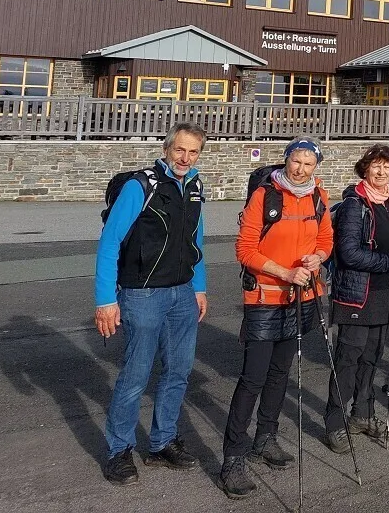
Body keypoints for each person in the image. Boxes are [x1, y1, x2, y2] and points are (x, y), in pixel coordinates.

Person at [219, 137, 334, 498]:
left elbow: (326, 240)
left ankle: (265, 437)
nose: (301, 169)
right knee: (253, 378)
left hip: (303, 296)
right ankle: (233, 457)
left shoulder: (319, 196)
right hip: (265, 297)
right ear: (286, 160)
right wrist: (285, 272)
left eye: (308, 164)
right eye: (296, 161)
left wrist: (318, 257)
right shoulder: (264, 195)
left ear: (316, 166)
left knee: (280, 373)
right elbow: (245, 249)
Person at [95, 123, 209, 486]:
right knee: (136, 375)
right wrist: (105, 300)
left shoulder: (195, 187)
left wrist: (199, 288)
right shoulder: (140, 186)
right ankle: (119, 451)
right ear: (166, 149)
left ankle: (161, 443)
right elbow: (109, 242)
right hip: (142, 294)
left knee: (178, 372)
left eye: (193, 152)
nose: (185, 158)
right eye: (179, 150)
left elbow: (196, 240)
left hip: (182, 293)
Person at [324, 144, 389, 452]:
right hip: (356, 294)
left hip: (383, 292)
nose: (381, 171)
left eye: (387, 166)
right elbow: (348, 253)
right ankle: (334, 422)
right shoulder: (355, 204)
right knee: (348, 360)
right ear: (365, 169)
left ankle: (362, 414)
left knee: (371, 357)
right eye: (376, 165)